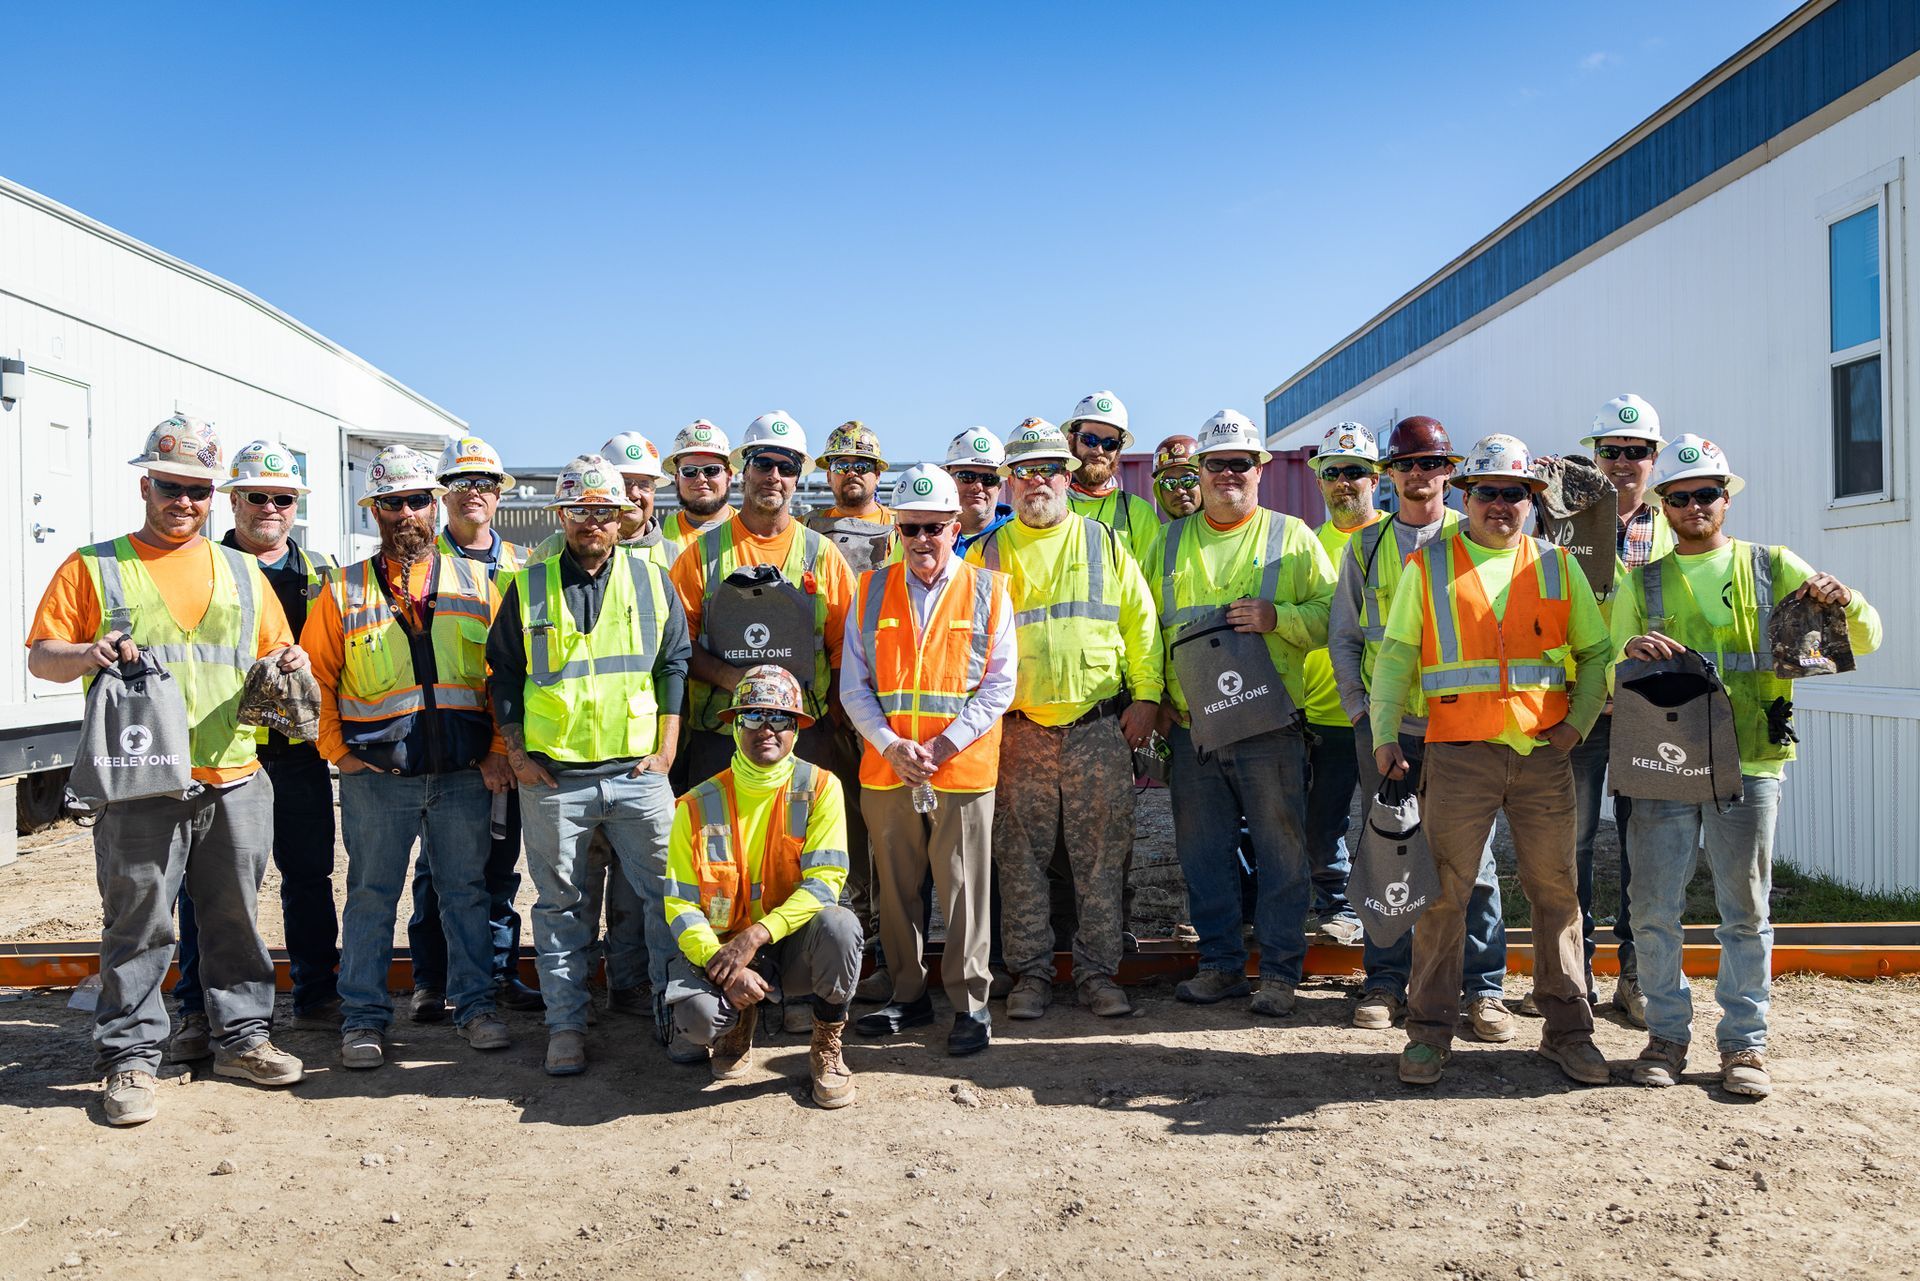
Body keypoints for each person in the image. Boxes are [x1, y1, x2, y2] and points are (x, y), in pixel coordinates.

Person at [28, 417, 307, 1124]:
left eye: (198, 490)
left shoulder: (244, 569)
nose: (185, 501)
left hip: (235, 773)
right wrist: (85, 654)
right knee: (139, 922)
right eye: (172, 486)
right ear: (145, 484)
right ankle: (130, 1056)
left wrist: (290, 662)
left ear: (214, 496)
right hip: (140, 780)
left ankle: (243, 1036)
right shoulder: (95, 566)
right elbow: (41, 655)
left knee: (235, 917)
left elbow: (276, 648)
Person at [1614, 435, 1881, 1098]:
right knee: (1652, 905)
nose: (1694, 505)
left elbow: (1868, 637)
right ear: (1663, 506)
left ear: (1725, 498)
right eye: (1680, 497)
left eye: (1706, 493)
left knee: (1744, 906)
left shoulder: (1773, 566)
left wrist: (1844, 600)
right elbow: (1603, 662)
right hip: (1664, 759)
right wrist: (1629, 646)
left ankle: (1744, 1045)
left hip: (1751, 758)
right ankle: (1666, 1036)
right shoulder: (1640, 580)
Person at [1372, 433, 1613, 1087]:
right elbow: (1396, 655)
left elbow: (1597, 655)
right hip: (1457, 755)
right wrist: (1384, 733)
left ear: (1532, 501)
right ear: (1467, 497)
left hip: (1541, 757)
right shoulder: (1427, 568)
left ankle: (1568, 1033)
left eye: (1514, 492)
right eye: (1487, 492)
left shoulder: (1559, 567)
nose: (1500, 503)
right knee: (1443, 898)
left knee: (1557, 895)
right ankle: (1427, 1034)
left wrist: (1575, 726)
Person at [304, 445, 517, 1069]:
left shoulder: (482, 585)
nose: (407, 514)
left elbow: (507, 674)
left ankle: (475, 1007)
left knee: (466, 893)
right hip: (378, 779)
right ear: (375, 511)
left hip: (463, 776)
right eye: (392, 503)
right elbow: (316, 679)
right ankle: (364, 1020)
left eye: (417, 501)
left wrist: (500, 750)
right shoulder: (342, 590)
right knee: (371, 896)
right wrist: (337, 752)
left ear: (436, 503)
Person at [487, 455, 690, 1076]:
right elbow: (504, 675)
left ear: (622, 518)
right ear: (562, 516)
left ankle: (673, 1013)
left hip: (637, 772)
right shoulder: (530, 584)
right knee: (559, 907)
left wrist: (667, 750)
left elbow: (673, 666)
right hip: (555, 779)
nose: (592, 523)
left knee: (667, 899)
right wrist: (517, 755)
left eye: (604, 512)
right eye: (581, 511)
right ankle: (566, 1027)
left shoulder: (654, 582)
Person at [965, 419, 1162, 1020]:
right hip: (1017, 731)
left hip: (1095, 729)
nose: (1035, 483)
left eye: (1047, 470)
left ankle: (1099, 975)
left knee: (1102, 858)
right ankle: (1029, 976)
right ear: (1009, 482)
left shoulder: (1104, 543)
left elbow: (1141, 624)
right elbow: (965, 647)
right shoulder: (984, 554)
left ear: (1067, 475)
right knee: (1019, 861)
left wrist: (1147, 697)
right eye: (1022, 472)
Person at [1327, 415, 1509, 1036]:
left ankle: (1483, 989)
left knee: (1474, 860)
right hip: (1389, 730)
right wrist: (1362, 714)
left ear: (1449, 471)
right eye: (1405, 464)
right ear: (1389, 475)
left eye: (1430, 463)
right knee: (1388, 853)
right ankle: (1385, 980)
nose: (1417, 475)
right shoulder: (1367, 546)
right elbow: (1346, 638)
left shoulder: (1475, 537)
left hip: (1465, 728)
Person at [1153, 412, 1334, 1016]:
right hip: (1192, 729)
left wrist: (1277, 617)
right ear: (1197, 471)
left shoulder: (1291, 536)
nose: (1229, 473)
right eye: (1216, 463)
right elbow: (1147, 630)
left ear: (1261, 470)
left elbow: (1336, 619)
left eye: (1241, 463)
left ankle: (1280, 973)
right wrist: (1154, 703)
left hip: (1269, 727)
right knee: (1204, 853)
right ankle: (1222, 965)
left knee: (1282, 853)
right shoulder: (1169, 541)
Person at [167, 441, 341, 1065]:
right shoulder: (202, 564)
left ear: (296, 506)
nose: (270, 506)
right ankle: (195, 1008)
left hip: (294, 749)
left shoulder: (322, 572)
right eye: (256, 495)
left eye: (282, 497)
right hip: (216, 748)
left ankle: (317, 994)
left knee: (309, 874)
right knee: (207, 890)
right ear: (231, 500)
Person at [843, 465, 1015, 1054]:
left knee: (965, 891)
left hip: (961, 769)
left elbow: (999, 686)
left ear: (954, 525)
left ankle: (971, 1006)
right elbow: (853, 687)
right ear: (897, 527)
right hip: (888, 769)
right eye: (910, 527)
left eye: (933, 528)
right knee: (896, 891)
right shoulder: (868, 591)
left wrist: (942, 746)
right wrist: (891, 745)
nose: (921, 540)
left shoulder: (991, 590)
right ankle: (907, 997)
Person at [663, 665, 862, 1108]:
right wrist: (723, 961)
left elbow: (826, 882)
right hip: (727, 950)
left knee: (841, 926)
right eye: (752, 717)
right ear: (734, 726)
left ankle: (827, 1047)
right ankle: (737, 1023)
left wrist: (756, 936)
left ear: (797, 729)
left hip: (793, 948)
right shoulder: (695, 805)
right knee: (696, 1020)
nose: (766, 730)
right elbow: (680, 902)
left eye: (781, 719)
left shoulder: (822, 788)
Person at [409, 435, 541, 1019]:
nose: (473, 496)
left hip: (502, 740)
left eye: (484, 485)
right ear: (444, 496)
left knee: (498, 866)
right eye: (461, 485)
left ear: (498, 496)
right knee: (435, 870)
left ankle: (496, 973)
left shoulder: (522, 567)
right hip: (441, 740)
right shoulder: (416, 563)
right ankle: (430, 981)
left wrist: (508, 745)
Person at [1562, 394, 1675, 1028]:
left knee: (1644, 844)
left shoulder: (1673, 525)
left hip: (1647, 709)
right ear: (1595, 456)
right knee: (1571, 846)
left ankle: (1635, 973)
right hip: (1581, 705)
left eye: (1636, 452)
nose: (1624, 462)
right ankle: (1574, 974)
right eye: (1612, 451)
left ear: (1654, 459)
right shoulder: (1565, 525)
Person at [670, 413, 858, 788]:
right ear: (744, 470)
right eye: (763, 463)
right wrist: (735, 680)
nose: (774, 475)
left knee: (800, 841)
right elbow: (678, 644)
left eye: (785, 466)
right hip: (722, 734)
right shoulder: (700, 555)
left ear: (796, 478)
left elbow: (845, 647)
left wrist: (830, 717)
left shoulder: (822, 554)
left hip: (803, 732)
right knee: (719, 842)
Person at [803, 420, 894, 998]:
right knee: (842, 827)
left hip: (891, 702)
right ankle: (846, 942)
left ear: (878, 473)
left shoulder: (903, 527)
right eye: (840, 463)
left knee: (892, 832)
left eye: (861, 464)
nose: (851, 473)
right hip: (827, 700)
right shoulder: (809, 532)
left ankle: (889, 947)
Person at [1298, 423, 1383, 947]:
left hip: (1386, 715)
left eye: (1355, 471)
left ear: (1377, 478)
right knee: (1319, 825)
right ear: (1320, 481)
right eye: (1334, 473)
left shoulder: (1397, 538)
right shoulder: (1306, 543)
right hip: (1321, 715)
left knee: (1387, 823)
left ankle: (1387, 912)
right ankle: (1337, 907)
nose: (1344, 482)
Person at [1063, 391, 1161, 566]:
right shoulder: (1048, 505)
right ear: (1071, 439)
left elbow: (1146, 586)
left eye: (1110, 444)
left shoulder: (1139, 514)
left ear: (1118, 449)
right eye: (1089, 439)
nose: (1099, 450)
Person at [661, 419, 738, 562]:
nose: (701, 479)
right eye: (689, 471)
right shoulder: (659, 534)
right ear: (677, 478)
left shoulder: (752, 529)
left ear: (729, 476)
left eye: (712, 470)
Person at [945, 427, 1014, 556]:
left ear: (1000, 485)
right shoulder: (922, 535)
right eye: (966, 476)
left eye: (988, 479)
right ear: (948, 478)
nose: (977, 486)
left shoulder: (1019, 538)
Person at [1150, 435, 1201, 521]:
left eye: (1188, 480)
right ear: (1159, 492)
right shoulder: (1162, 534)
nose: (1180, 491)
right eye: (1168, 483)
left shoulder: (1228, 531)